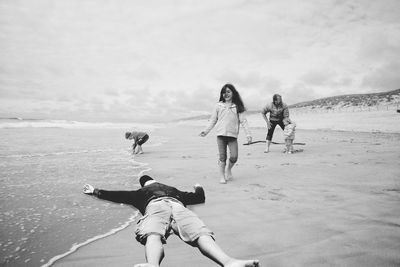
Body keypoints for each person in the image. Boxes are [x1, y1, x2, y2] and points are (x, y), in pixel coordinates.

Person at [83, 175, 259, 267]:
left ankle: (152, 264)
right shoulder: (174, 190)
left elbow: (117, 195)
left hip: (156, 206)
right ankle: (228, 261)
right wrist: (198, 186)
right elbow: (199, 197)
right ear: (156, 182)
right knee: (200, 233)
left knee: (153, 234)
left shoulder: (139, 193)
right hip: (178, 205)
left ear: (144, 184)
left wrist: (95, 191)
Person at [200, 84, 252, 184]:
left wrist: (248, 135)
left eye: (228, 91)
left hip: (232, 136)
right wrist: (206, 131)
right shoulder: (218, 106)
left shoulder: (237, 106)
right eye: (224, 92)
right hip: (220, 135)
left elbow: (244, 121)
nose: (226, 94)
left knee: (234, 157)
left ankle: (228, 169)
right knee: (222, 157)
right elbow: (213, 120)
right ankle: (222, 176)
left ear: (233, 93)